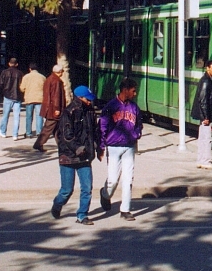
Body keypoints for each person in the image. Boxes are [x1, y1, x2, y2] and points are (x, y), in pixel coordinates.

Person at [51, 85, 103, 225]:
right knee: (67, 190)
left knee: (87, 187)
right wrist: (77, 148)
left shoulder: (91, 111)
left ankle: (82, 215)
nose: (89, 102)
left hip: (85, 156)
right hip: (68, 156)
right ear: (79, 97)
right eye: (87, 99)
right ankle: (57, 204)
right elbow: (66, 136)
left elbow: (95, 132)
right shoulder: (69, 112)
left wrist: (98, 148)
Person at [99, 78, 142, 221]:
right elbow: (102, 126)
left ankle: (125, 209)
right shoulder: (111, 106)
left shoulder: (134, 108)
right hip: (113, 147)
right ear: (125, 90)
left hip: (129, 146)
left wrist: (136, 134)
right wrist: (101, 146)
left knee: (128, 179)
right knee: (113, 180)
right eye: (133, 90)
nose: (135, 93)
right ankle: (105, 194)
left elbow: (138, 124)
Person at [190, 60, 212, 169]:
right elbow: (203, 100)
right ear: (207, 68)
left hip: (203, 115)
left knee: (203, 137)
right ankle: (205, 160)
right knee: (206, 138)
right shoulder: (207, 81)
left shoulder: (205, 80)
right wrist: (206, 117)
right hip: (205, 115)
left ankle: (201, 160)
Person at [34, 65, 66, 152]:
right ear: (59, 72)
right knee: (49, 127)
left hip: (49, 107)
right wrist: (57, 109)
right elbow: (56, 96)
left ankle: (61, 145)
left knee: (57, 128)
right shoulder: (56, 81)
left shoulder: (50, 79)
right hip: (53, 109)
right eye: (62, 71)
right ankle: (38, 143)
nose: (63, 73)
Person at [0, 58, 25, 140]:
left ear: (9, 63)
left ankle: (3, 131)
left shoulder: (5, 72)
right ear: (16, 64)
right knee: (16, 116)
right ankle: (15, 134)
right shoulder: (20, 73)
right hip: (17, 96)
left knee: (5, 115)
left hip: (7, 95)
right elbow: (22, 85)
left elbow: (0, 84)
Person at [19, 62, 46, 138]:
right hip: (40, 98)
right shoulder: (42, 77)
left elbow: (22, 88)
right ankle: (39, 132)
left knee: (29, 116)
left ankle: (28, 133)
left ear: (30, 69)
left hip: (29, 98)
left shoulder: (26, 77)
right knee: (39, 116)